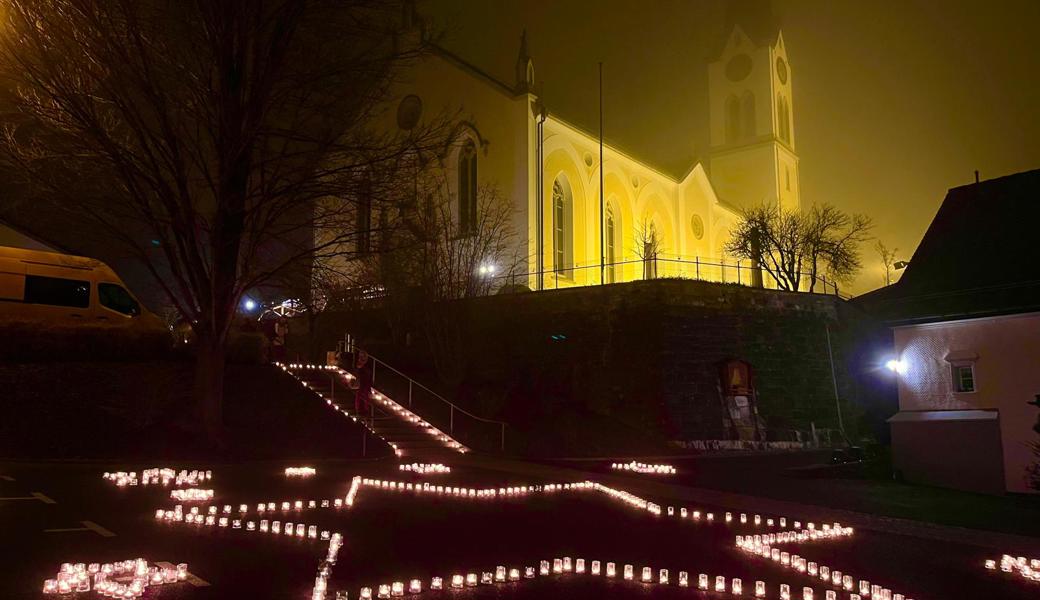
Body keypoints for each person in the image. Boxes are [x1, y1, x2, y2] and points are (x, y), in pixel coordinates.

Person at [354, 349, 374, 419]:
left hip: (365, 381)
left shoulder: (366, 365)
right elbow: (358, 368)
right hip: (362, 381)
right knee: (360, 395)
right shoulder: (360, 364)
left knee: (365, 395)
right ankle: (360, 409)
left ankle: (365, 410)